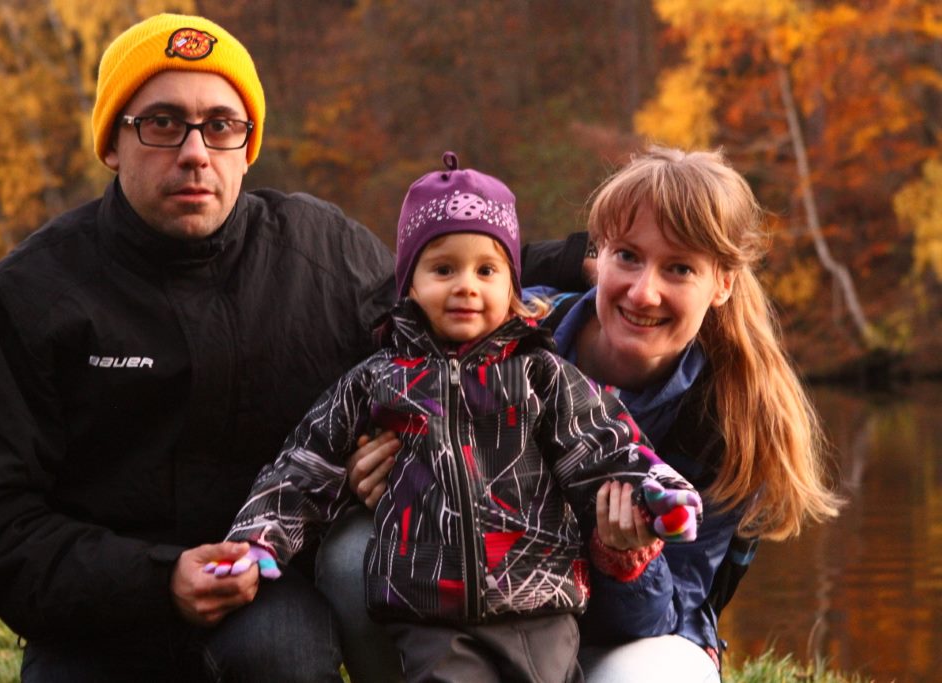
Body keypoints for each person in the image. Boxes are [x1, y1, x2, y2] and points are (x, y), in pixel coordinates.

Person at [0, 13, 399, 682]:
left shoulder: (327, 256)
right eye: (161, 122)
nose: (194, 152)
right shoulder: (26, 296)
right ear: (113, 143)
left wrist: (399, 445)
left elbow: (456, 303)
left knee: (286, 654)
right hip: (97, 613)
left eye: (220, 125)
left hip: (265, 588)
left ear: (248, 144)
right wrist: (155, 581)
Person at [335, 145, 843, 682]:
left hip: (617, 642)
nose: (644, 293)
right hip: (463, 613)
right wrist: (380, 473)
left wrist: (627, 562)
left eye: (679, 268)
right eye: (628, 256)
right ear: (596, 254)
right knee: (351, 553)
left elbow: (667, 617)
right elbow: (381, 350)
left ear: (722, 283)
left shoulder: (733, 420)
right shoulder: (505, 328)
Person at [211, 153, 703, 683]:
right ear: (411, 284)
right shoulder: (378, 378)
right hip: (433, 613)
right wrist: (258, 538)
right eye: (444, 269)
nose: (466, 285)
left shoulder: (543, 374)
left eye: (486, 270)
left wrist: (656, 492)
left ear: (511, 285)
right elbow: (305, 463)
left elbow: (604, 445)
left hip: (539, 599)